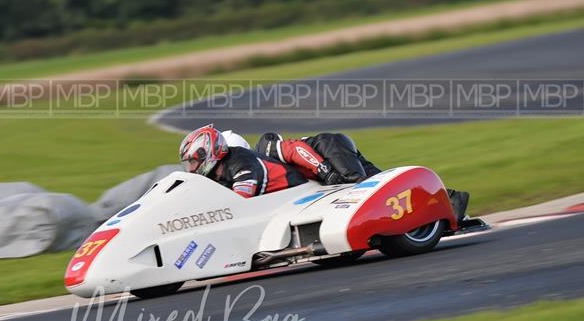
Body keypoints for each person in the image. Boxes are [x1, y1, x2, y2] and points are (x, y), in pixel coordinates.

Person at [256, 131, 469, 224]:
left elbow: (297, 150)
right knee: (386, 185)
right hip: (332, 157)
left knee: (361, 189)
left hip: (329, 147)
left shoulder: (264, 151)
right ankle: (450, 202)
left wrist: (325, 171)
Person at [179, 125, 309, 198]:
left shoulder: (240, 163)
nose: (191, 169)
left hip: (294, 196)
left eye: (192, 162)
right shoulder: (219, 173)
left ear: (206, 154)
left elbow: (240, 200)